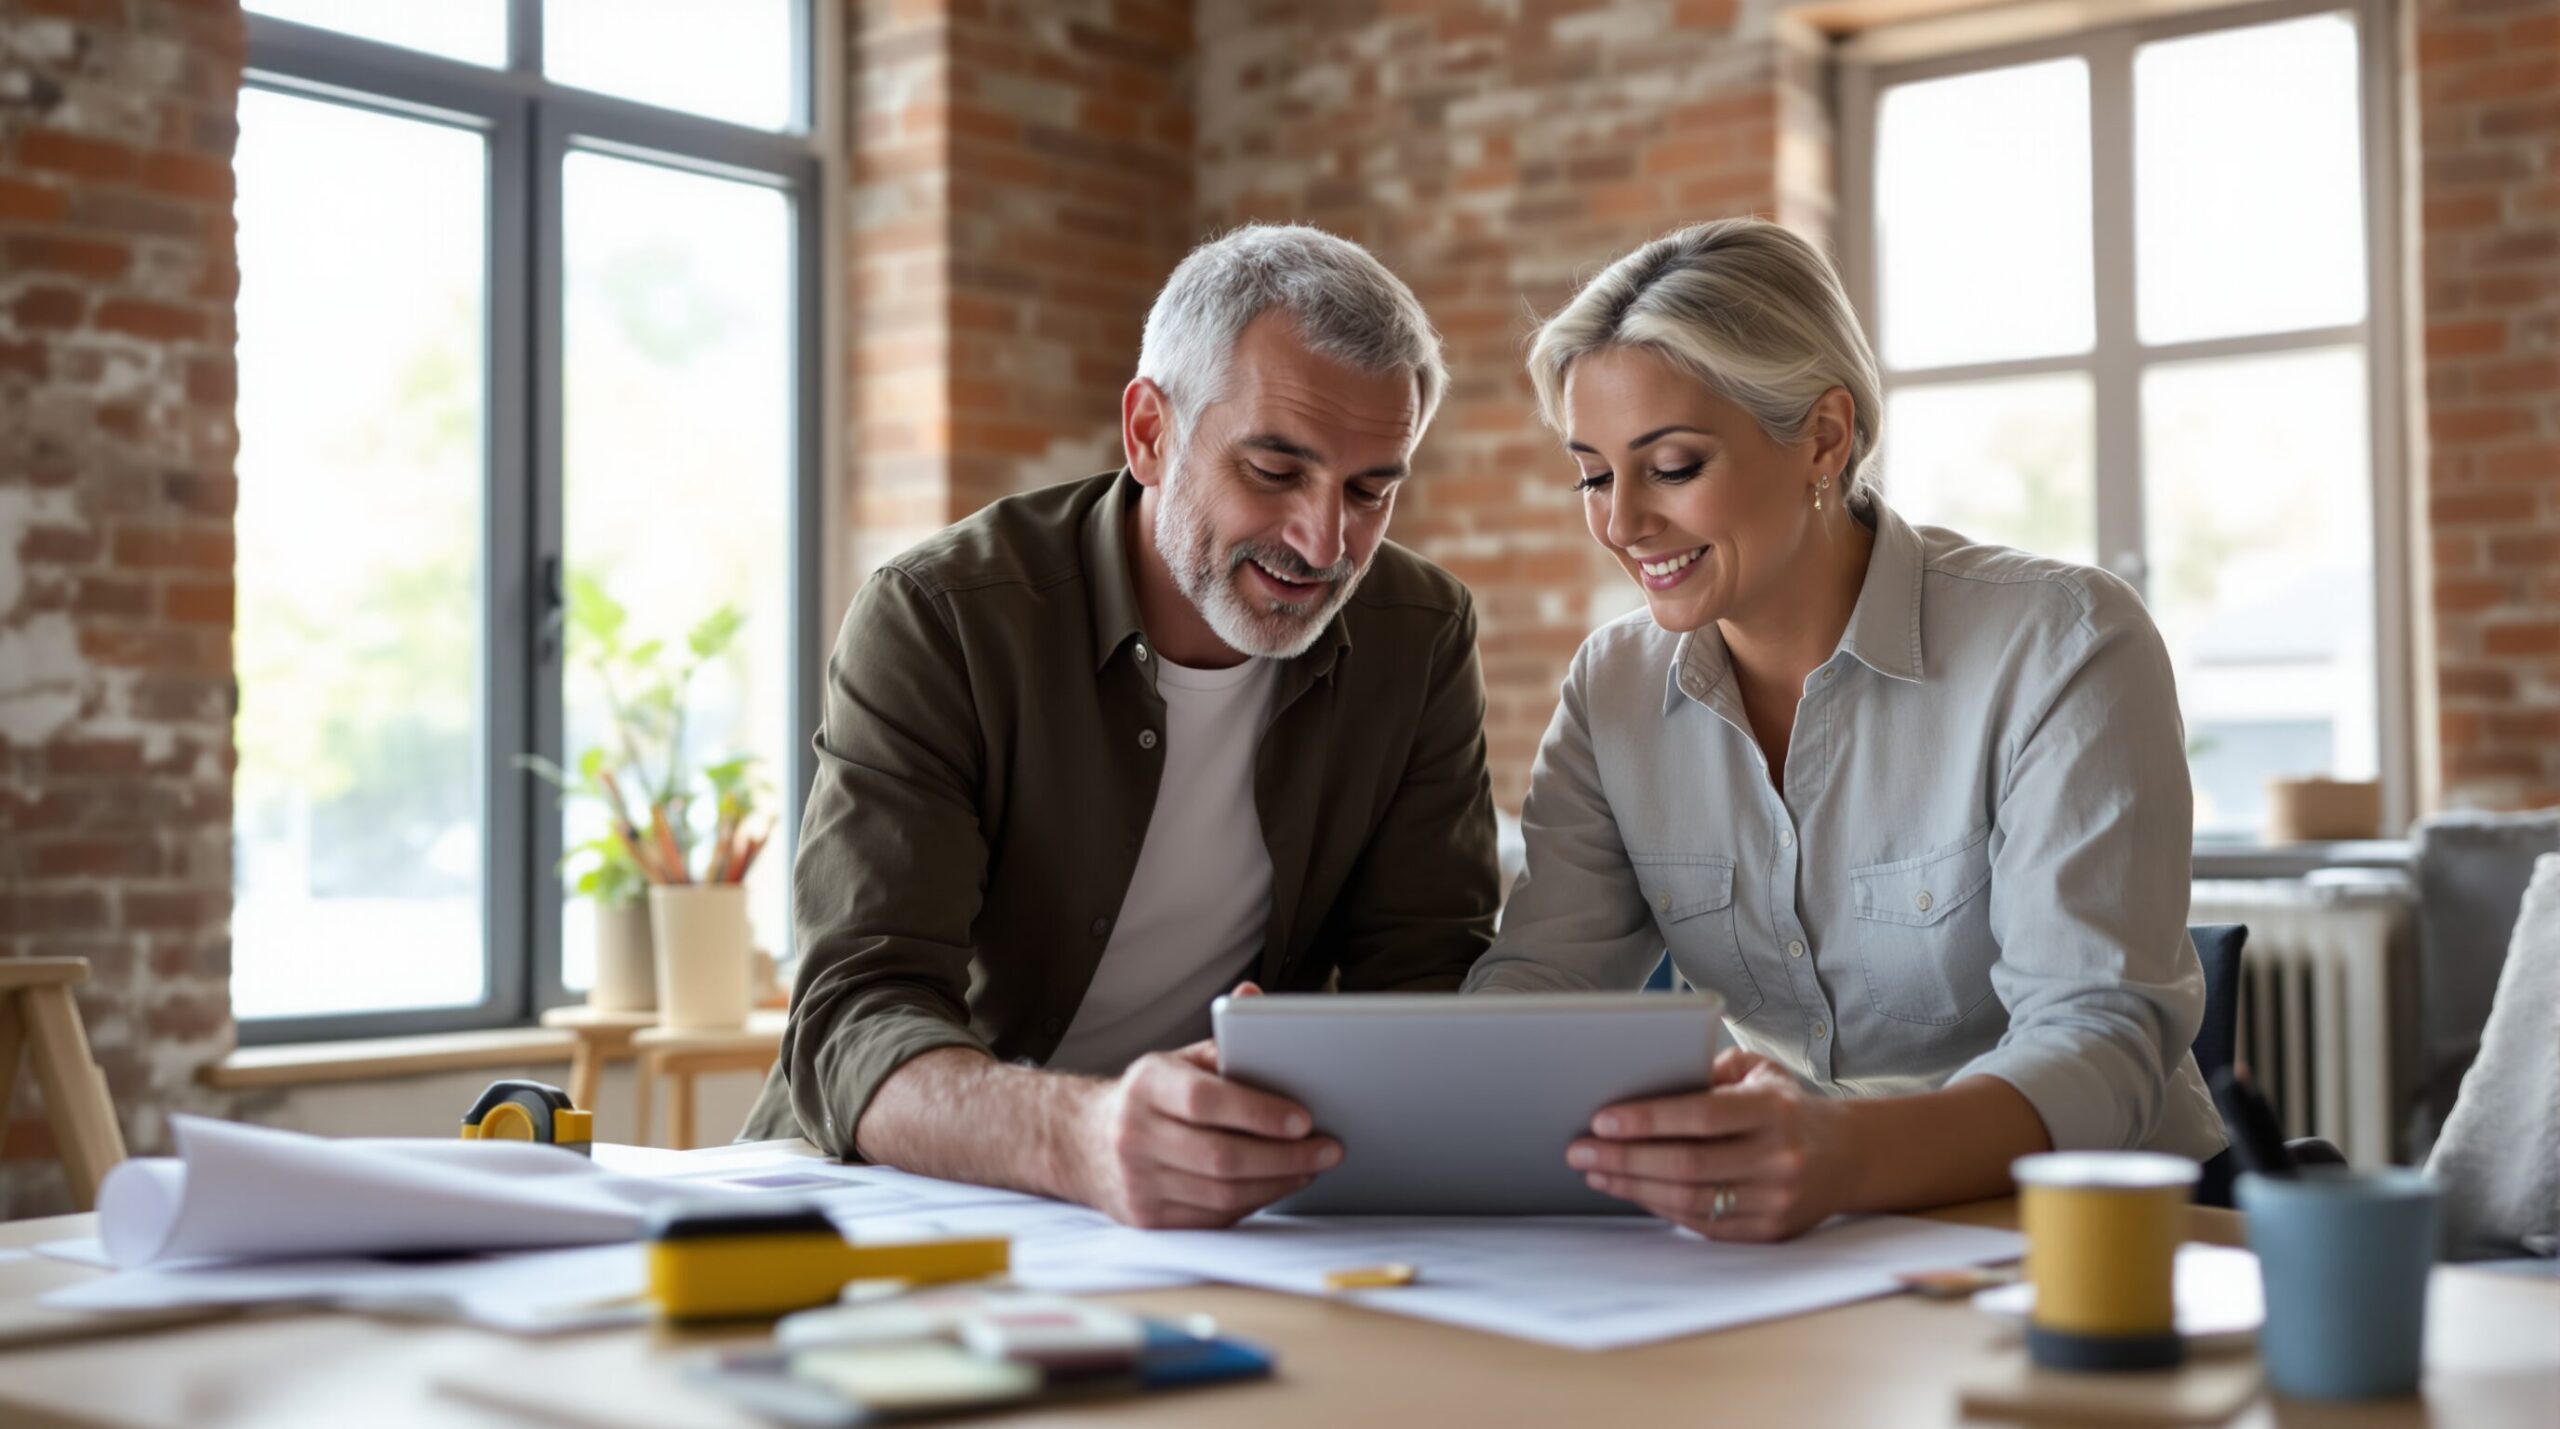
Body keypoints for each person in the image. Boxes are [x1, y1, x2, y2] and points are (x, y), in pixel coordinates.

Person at [1467, 219, 2225, 1242]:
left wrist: (1841, 1158)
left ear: (1825, 437)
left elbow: (2099, 1037)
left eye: (1673, 465)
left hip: (2096, 1237)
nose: (1621, 524)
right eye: (1594, 475)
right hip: (1814, 1239)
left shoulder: (2060, 643)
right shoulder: (1613, 690)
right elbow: (1540, 988)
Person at [740, 225, 1501, 1229]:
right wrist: (1083, 1137)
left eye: (1372, 489)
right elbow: (851, 1017)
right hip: (903, 1196)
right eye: (1274, 470)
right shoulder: (944, 617)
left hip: (1222, 1224)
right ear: (1149, 431)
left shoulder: (1419, 636)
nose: (1326, 542)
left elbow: (1424, 980)